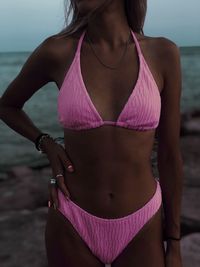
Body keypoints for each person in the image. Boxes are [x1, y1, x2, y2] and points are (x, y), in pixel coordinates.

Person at [0, 0, 183, 266]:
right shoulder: (57, 50)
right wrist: (46, 143)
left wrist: (174, 243)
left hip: (142, 222)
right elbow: (7, 106)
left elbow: (169, 154)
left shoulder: (163, 53)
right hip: (72, 220)